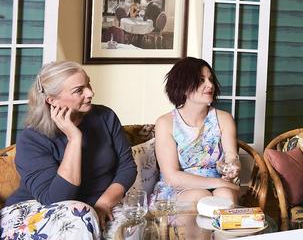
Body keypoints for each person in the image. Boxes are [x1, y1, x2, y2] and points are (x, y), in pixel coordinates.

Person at [0, 61, 137, 239]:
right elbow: (57, 200)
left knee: (133, 223)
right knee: (81, 216)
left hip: (93, 204)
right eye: (79, 90)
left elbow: (127, 166)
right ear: (52, 100)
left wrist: (104, 202)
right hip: (34, 211)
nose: (90, 93)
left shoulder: (105, 116)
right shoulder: (32, 138)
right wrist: (74, 138)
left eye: (88, 84)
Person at [151, 57, 240, 208]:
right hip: (179, 189)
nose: (210, 85)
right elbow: (172, 177)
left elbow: (231, 156)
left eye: (210, 79)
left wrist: (233, 165)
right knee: (199, 196)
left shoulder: (224, 119)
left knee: (225, 195)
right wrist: (217, 182)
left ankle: (225, 232)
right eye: (201, 80)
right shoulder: (165, 123)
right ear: (183, 87)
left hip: (220, 187)